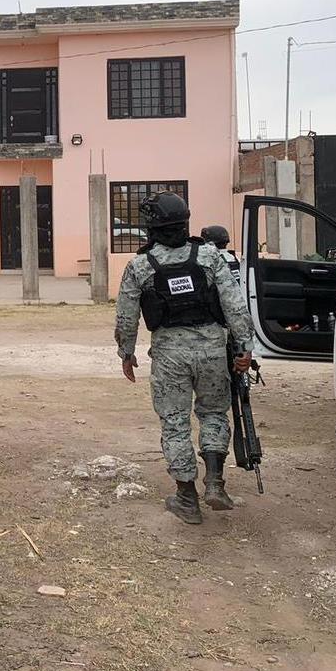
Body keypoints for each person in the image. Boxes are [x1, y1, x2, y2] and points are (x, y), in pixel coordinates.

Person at [114, 192, 255, 525]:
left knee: (175, 422)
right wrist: (245, 346)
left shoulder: (140, 265)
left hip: (169, 356)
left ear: (152, 227)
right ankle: (216, 483)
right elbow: (234, 303)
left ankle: (186, 498)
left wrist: (127, 353)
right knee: (213, 414)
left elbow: (126, 316)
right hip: (211, 350)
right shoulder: (209, 256)